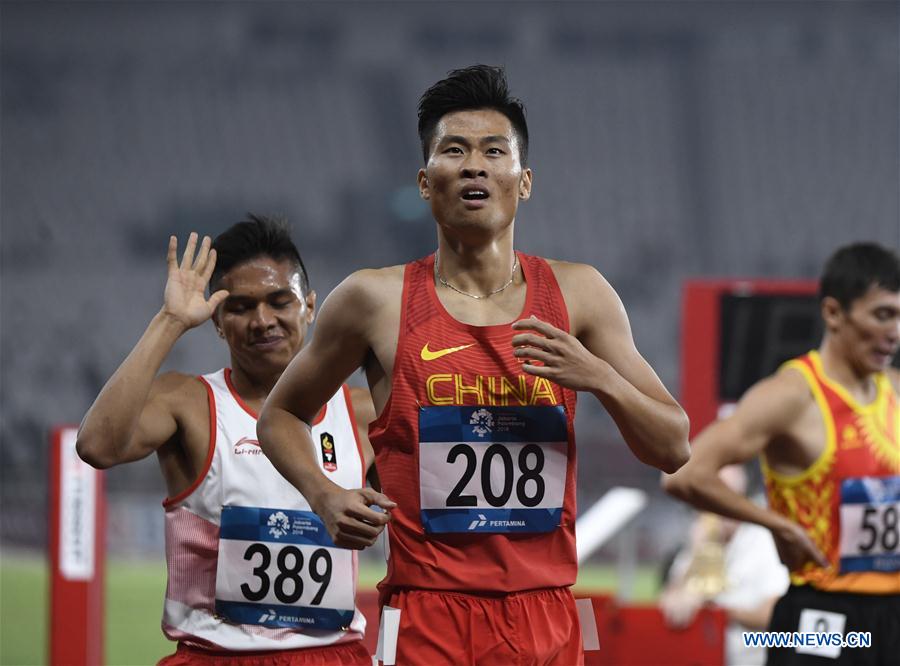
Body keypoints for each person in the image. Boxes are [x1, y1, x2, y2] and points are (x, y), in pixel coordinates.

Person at [256, 65, 690, 665]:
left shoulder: (581, 295)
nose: (474, 166)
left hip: (547, 612)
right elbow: (279, 415)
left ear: (525, 181)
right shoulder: (372, 300)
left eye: (494, 151)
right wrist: (324, 495)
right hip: (428, 613)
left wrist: (597, 376)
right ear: (425, 183)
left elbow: (673, 446)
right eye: (453, 151)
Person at [76, 216, 375, 665]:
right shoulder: (189, 403)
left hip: (332, 653)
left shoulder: (361, 412)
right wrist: (170, 320)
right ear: (217, 320)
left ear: (310, 307)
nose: (262, 321)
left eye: (280, 301)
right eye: (240, 307)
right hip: (216, 654)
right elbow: (96, 445)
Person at [664, 242, 900, 665]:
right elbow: (682, 474)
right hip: (826, 616)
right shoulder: (791, 396)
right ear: (833, 313)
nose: (895, 332)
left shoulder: (893, 391)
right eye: (882, 314)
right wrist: (777, 525)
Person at [659, 465, 789, 666]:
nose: (716, 507)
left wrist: (720, 614)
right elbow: (669, 596)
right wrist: (697, 553)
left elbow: (776, 614)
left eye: (724, 497)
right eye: (707, 498)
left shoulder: (762, 540)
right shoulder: (701, 540)